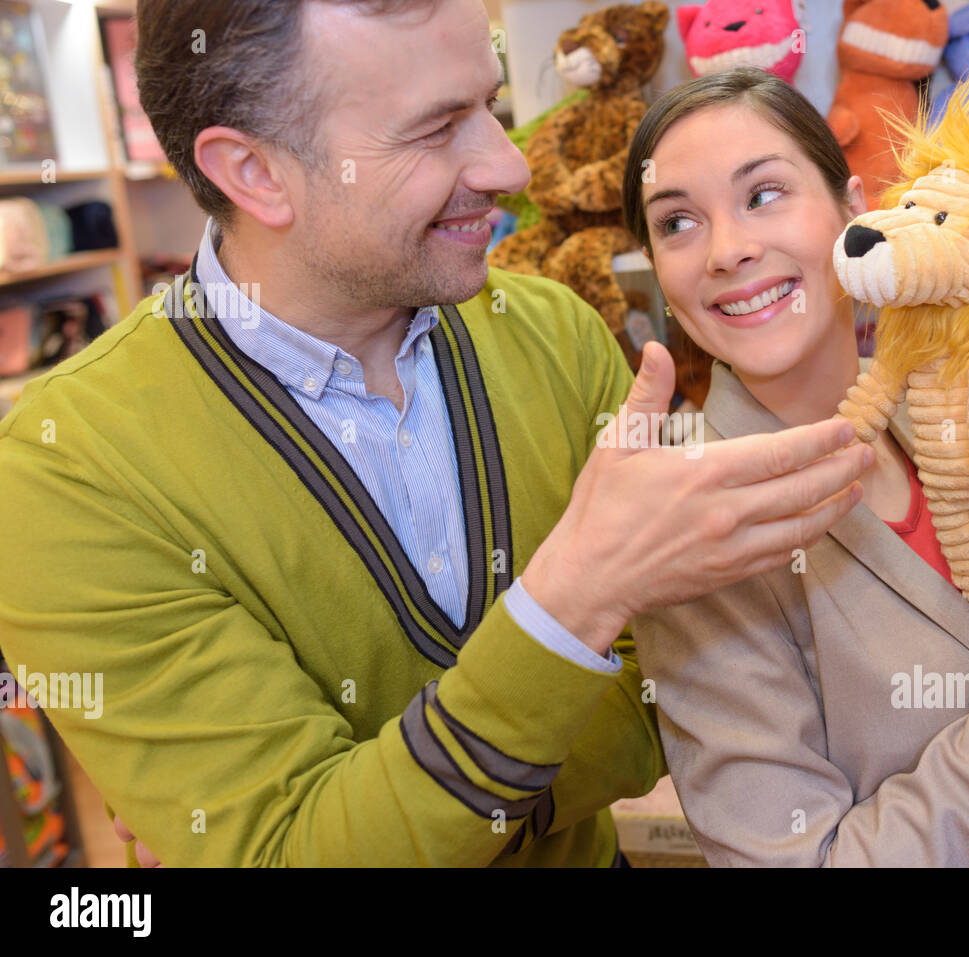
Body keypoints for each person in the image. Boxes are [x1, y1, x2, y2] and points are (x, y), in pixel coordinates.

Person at [0, 3, 869, 867]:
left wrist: (380, 795)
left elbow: (683, 699)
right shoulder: (64, 472)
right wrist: (573, 604)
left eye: (486, 106)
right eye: (435, 130)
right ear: (254, 172)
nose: (509, 163)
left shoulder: (553, 333)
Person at [624, 69, 969, 866]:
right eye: (677, 222)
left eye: (764, 194)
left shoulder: (953, 416)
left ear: (854, 209)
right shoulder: (697, 536)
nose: (728, 248)